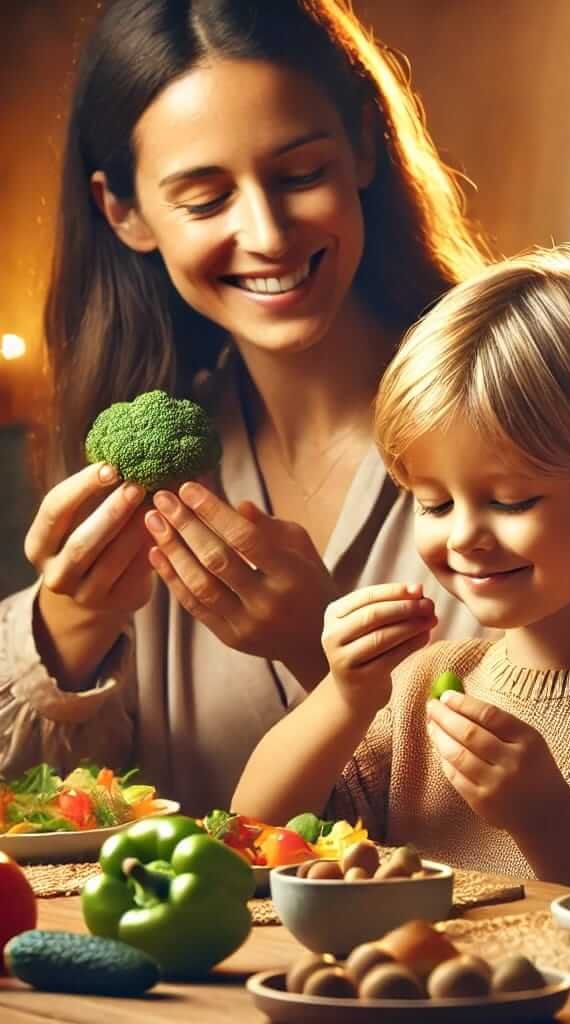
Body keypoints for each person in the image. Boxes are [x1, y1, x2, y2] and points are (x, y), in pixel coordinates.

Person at [0, 0, 493, 814]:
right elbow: (43, 819)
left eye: (300, 174)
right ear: (123, 213)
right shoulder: (141, 464)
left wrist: (320, 649)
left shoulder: (538, 422)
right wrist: (68, 627)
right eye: (204, 199)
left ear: (364, 145)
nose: (265, 233)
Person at [233, 246, 570, 887]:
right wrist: (343, 696)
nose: (464, 536)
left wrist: (545, 817)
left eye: (509, 500)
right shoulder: (423, 684)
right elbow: (251, 833)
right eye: (433, 502)